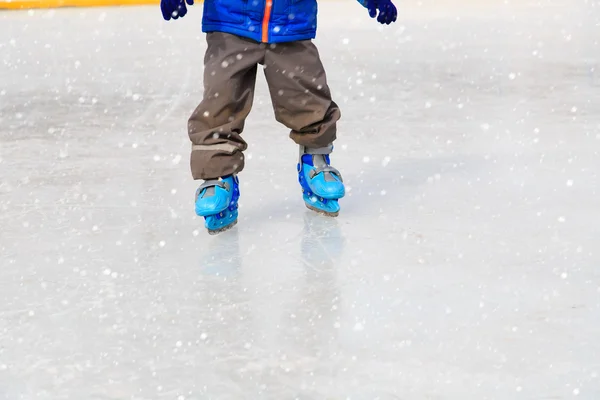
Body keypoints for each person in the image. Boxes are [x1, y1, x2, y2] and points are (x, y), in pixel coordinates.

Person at [161, 0, 397, 234]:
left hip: (291, 22)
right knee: (220, 100)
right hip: (230, 23)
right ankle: (217, 174)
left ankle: (314, 160)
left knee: (307, 97)